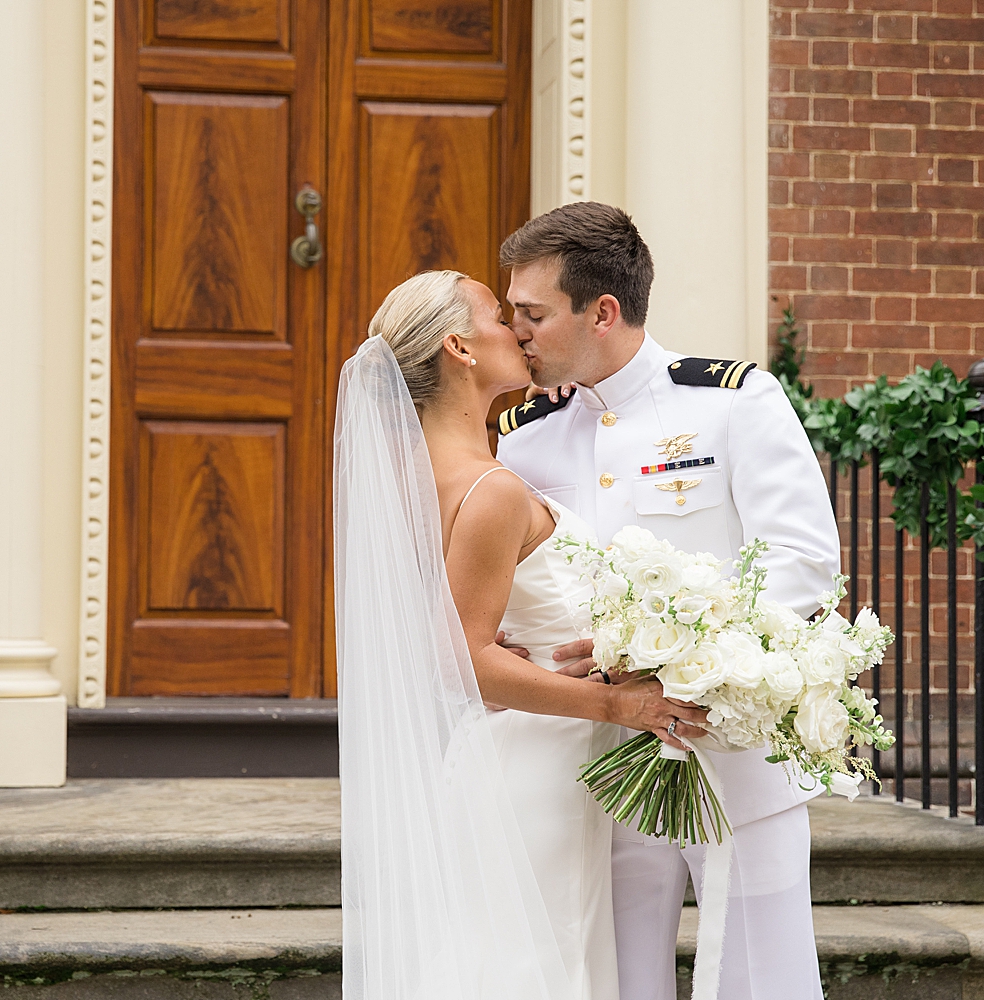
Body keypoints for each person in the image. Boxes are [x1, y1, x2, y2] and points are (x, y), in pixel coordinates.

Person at [495, 202, 839, 1000]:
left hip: (730, 746)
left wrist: (677, 655)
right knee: (615, 975)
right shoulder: (524, 434)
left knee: (761, 977)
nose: (517, 332)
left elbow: (802, 563)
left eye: (534, 313)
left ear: (602, 312)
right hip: (592, 758)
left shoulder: (729, 402)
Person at [335, 269, 709, 1000]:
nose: (518, 329)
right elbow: (465, 663)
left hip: (512, 756)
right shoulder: (491, 489)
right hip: (540, 764)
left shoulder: (424, 475)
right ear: (460, 348)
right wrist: (621, 706)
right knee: (540, 969)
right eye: (498, 318)